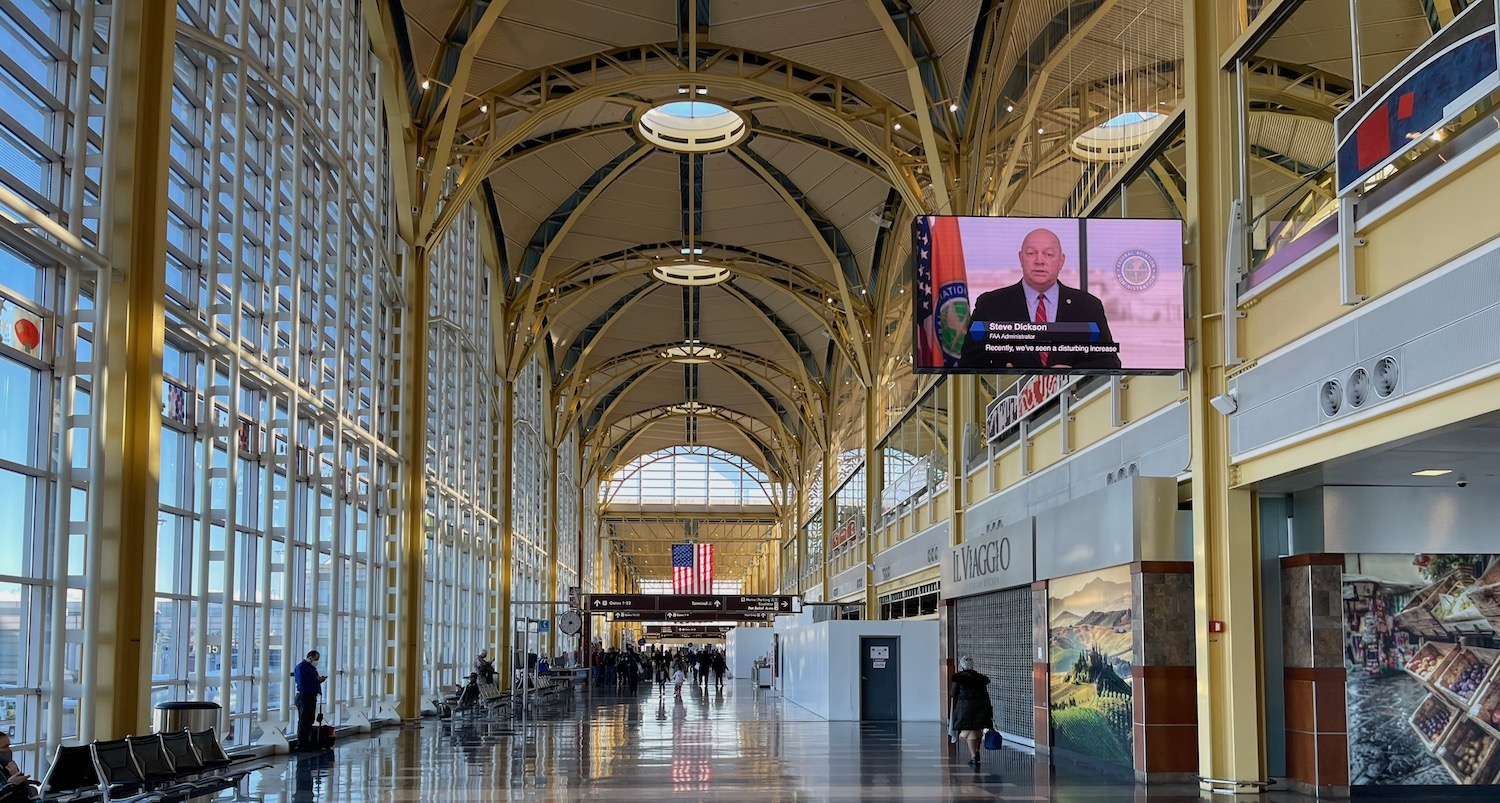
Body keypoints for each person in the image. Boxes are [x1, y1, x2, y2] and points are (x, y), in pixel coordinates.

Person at [958, 228, 1121, 370]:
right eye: (1031, 253)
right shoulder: (990, 305)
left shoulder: (1088, 306)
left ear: (1061, 261)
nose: (1039, 261)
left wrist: (1073, 371)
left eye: (1048, 254)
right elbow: (968, 363)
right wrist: (1000, 371)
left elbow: (1110, 362)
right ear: (1021, 258)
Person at [949, 655, 995, 767]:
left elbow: (953, 693)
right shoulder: (980, 679)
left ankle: (974, 755)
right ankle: (977, 751)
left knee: (969, 732)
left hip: (964, 709)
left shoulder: (959, 678)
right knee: (977, 731)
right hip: (980, 708)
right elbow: (985, 695)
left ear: (962, 665)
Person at [292, 650, 327, 751]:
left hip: (311, 695)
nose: (317, 661)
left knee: (309, 719)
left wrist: (318, 684)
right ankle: (302, 743)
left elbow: (313, 679)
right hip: (304, 696)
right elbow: (302, 682)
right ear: (310, 657)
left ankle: (307, 742)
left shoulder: (312, 668)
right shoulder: (301, 667)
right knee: (304, 720)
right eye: (316, 659)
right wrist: (316, 680)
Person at [0, 732, 37, 802]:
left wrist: (16, 775)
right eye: (5, 747)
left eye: (9, 746)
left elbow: (26, 794)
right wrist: (10, 785)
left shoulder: (8, 766)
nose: (8, 750)